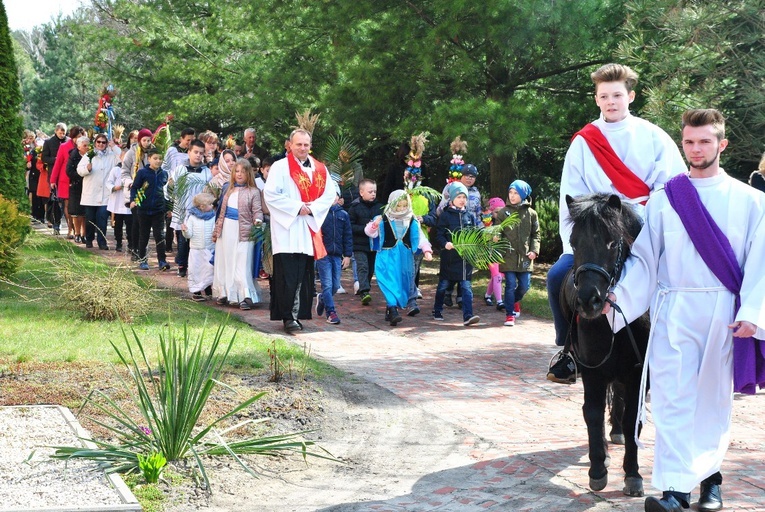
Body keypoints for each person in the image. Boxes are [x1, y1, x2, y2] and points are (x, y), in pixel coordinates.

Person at [602, 109, 765, 512]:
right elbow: (644, 261)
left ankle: (710, 480)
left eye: (705, 141)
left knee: (710, 401)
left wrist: (754, 312)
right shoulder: (664, 200)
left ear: (721, 145)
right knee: (673, 399)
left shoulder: (751, 201)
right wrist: (618, 299)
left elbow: (761, 261)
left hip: (723, 312)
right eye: (689, 142)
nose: (696, 149)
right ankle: (675, 490)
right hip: (673, 308)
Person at [546, 63, 686, 385]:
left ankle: (666, 352)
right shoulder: (583, 142)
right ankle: (568, 350)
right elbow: (572, 195)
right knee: (555, 278)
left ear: (630, 96)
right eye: (604, 95)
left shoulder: (654, 137)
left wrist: (646, 227)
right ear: (596, 99)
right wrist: (576, 241)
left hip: (643, 232)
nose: (611, 101)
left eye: (617, 95)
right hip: (597, 236)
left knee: (674, 283)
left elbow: (670, 186)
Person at [263, 128, 336, 333]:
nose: (302, 148)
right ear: (290, 145)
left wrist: (311, 209)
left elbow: (329, 195)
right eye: (298, 144)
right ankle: (288, 316)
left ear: (310, 146)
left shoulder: (320, 169)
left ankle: (298, 314)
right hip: (288, 228)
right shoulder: (279, 167)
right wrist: (297, 208)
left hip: (308, 226)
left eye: (306, 145)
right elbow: (271, 195)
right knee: (287, 273)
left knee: (303, 274)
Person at [366, 190, 433, 326]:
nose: (402, 209)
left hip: (405, 259)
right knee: (388, 282)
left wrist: (426, 250)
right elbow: (369, 232)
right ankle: (393, 309)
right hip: (387, 256)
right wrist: (374, 225)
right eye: (398, 206)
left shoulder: (412, 220)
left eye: (404, 205)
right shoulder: (383, 218)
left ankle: (391, 308)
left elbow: (420, 236)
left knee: (401, 283)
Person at [212, 158, 264, 310]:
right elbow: (221, 212)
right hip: (226, 229)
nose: (239, 174)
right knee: (225, 260)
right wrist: (217, 231)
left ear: (249, 174)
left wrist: (258, 220)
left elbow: (257, 211)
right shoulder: (227, 189)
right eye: (237, 171)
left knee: (242, 262)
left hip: (244, 231)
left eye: (243, 171)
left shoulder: (254, 192)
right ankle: (225, 292)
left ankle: (244, 295)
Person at [432, 182, 480, 326]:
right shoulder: (446, 216)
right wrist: (445, 244)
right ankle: (437, 309)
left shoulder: (470, 216)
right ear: (452, 199)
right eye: (459, 196)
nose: (462, 199)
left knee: (466, 287)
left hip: (465, 259)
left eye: (464, 197)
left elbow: (475, 234)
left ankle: (468, 316)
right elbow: (439, 235)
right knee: (443, 286)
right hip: (449, 258)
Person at [495, 181, 539, 327]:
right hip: (507, 257)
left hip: (525, 257)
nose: (512, 196)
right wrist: (495, 237)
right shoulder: (503, 212)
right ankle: (509, 315)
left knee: (525, 286)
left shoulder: (532, 214)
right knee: (510, 284)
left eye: (516, 193)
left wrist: (534, 250)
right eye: (511, 192)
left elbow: (536, 235)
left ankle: (513, 301)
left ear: (524, 195)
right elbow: (497, 231)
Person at [169, 139, 212, 278]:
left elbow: (209, 191)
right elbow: (171, 188)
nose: (198, 155)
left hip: (199, 212)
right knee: (183, 240)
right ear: (189, 152)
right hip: (183, 210)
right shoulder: (180, 169)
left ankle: (197, 267)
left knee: (196, 241)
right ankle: (182, 265)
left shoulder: (206, 172)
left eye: (201, 153)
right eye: (195, 152)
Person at [315, 183, 353, 324]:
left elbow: (348, 236)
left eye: (334, 195)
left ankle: (323, 299)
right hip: (323, 254)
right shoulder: (320, 214)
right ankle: (331, 312)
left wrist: (347, 255)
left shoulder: (344, 215)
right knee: (327, 284)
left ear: (338, 197)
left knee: (336, 286)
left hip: (337, 255)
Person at [130, 148, 171, 271]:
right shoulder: (143, 173)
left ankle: (162, 261)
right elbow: (135, 187)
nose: (158, 161)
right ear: (149, 159)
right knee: (144, 235)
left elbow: (167, 193)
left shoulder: (164, 174)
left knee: (160, 235)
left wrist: (168, 208)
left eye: (160, 159)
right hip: (143, 210)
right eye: (155, 158)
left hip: (158, 210)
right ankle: (143, 260)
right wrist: (133, 200)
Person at [78, 133, 121, 250]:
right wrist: (87, 169)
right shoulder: (89, 155)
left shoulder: (112, 156)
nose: (101, 144)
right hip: (91, 193)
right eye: (99, 142)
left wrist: (114, 146)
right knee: (90, 219)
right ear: (95, 143)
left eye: (103, 142)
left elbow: (122, 157)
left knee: (102, 219)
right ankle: (89, 239)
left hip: (105, 194)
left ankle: (102, 242)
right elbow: (79, 170)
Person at [348, 178, 383, 306]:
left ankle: (365, 286)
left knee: (370, 268)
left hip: (374, 244)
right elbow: (350, 226)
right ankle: (364, 291)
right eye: (370, 191)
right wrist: (364, 229)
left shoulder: (380, 207)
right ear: (361, 192)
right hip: (359, 244)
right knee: (362, 266)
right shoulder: (354, 207)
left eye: (374, 191)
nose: (373, 194)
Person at [121, 128, 154, 260]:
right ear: (139, 140)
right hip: (135, 191)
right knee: (136, 222)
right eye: (144, 140)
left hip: (149, 192)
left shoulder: (154, 152)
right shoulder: (132, 152)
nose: (146, 143)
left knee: (146, 223)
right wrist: (130, 183)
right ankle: (134, 248)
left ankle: (142, 249)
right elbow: (124, 171)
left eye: (149, 140)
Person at [50, 126, 85, 239]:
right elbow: (58, 163)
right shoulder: (64, 147)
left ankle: (79, 230)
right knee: (67, 205)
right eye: (76, 137)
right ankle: (71, 228)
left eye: (80, 137)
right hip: (66, 179)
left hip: (81, 180)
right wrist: (52, 180)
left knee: (79, 205)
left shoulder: (86, 148)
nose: (78, 139)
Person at [182, 192, 216, 302]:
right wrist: (185, 231)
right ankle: (196, 291)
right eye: (210, 204)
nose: (212, 206)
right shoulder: (191, 218)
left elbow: (214, 230)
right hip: (196, 249)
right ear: (202, 206)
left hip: (209, 247)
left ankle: (207, 287)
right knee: (195, 270)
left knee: (209, 269)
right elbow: (189, 234)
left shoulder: (213, 217)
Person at [105, 150, 132, 253]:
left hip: (129, 200)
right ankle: (119, 243)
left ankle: (131, 243)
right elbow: (109, 182)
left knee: (130, 224)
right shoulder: (116, 169)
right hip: (118, 200)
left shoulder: (133, 170)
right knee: (118, 224)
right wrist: (114, 187)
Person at [482, 196, 506, 308]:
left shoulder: (506, 223)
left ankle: (487, 295)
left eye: (501, 211)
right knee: (497, 276)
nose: (499, 214)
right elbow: (483, 237)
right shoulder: (487, 223)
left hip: (502, 253)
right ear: (491, 212)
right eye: (496, 212)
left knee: (497, 276)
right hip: (490, 253)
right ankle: (500, 301)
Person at [65, 136, 89, 245]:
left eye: (88, 145)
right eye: (84, 145)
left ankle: (84, 234)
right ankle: (77, 233)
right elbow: (69, 171)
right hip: (76, 185)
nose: (87, 147)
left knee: (85, 212)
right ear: (79, 147)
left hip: (88, 186)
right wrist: (80, 176)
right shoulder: (73, 156)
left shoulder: (91, 156)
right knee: (76, 211)